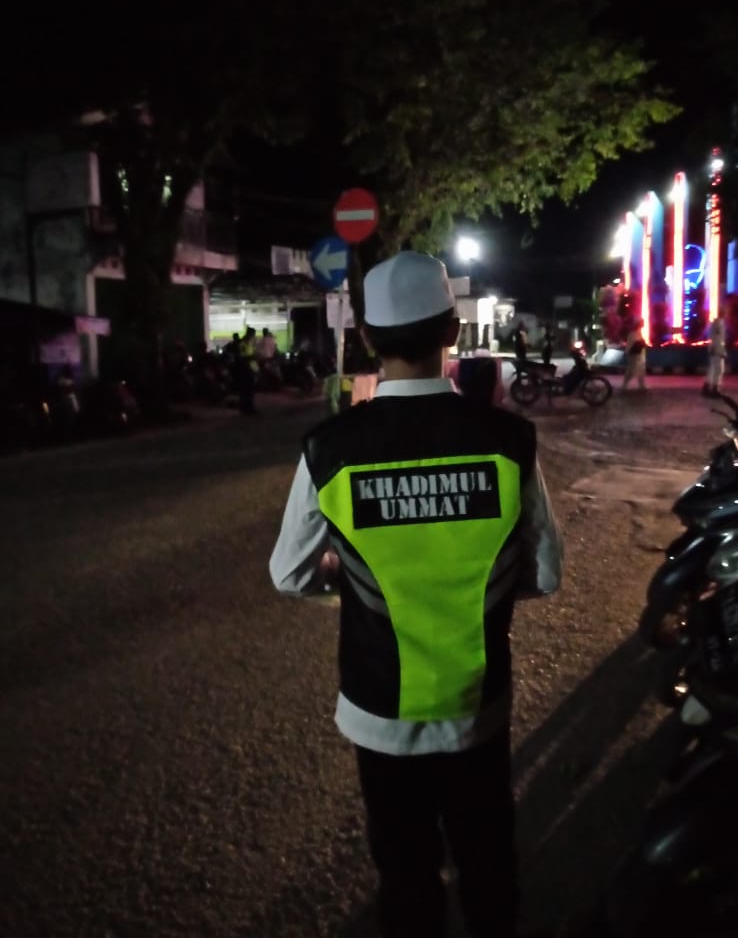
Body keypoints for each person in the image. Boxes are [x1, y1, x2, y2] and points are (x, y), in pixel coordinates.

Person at [269, 251, 563, 938]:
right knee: (488, 866)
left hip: (379, 710)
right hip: (475, 705)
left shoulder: (331, 447)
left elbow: (289, 574)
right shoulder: (507, 440)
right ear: (452, 331)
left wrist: (349, 577)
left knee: (405, 877)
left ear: (367, 338)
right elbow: (544, 573)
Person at [703, 315, 726, 397]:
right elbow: (718, 339)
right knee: (718, 369)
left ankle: (707, 387)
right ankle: (715, 388)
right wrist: (721, 351)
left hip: (715, 349)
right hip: (717, 349)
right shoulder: (719, 324)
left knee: (713, 369)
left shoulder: (716, 323)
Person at [621, 319, 647, 391]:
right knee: (632, 370)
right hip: (634, 354)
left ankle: (641, 385)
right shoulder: (633, 333)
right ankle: (624, 384)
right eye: (641, 323)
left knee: (641, 370)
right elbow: (632, 344)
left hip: (639, 354)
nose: (642, 324)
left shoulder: (638, 332)